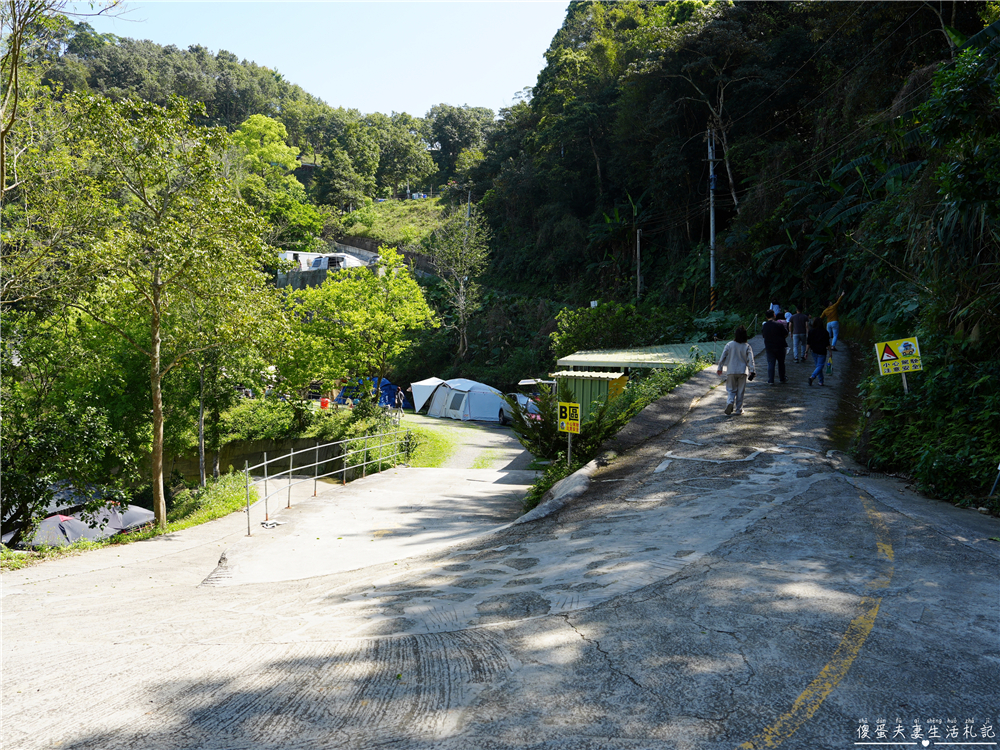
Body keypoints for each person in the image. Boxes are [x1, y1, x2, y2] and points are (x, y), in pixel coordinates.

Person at [716, 325, 755, 416]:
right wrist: (752, 370)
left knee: (731, 389)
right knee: (740, 391)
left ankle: (730, 402)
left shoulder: (729, 344)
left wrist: (720, 368)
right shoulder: (747, 346)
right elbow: (751, 360)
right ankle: (739, 409)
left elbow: (723, 356)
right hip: (742, 372)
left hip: (731, 371)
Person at [761, 309, 788, 384]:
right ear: (774, 315)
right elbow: (786, 333)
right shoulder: (779, 324)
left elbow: (763, 335)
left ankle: (771, 380)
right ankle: (782, 378)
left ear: (766, 317)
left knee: (771, 363)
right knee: (781, 363)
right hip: (780, 346)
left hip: (769, 347)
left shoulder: (765, 326)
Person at [807, 316, 831, 386]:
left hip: (814, 350)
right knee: (820, 366)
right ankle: (812, 377)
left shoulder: (811, 331)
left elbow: (808, 342)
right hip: (822, 351)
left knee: (818, 366)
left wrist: (806, 351)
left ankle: (821, 381)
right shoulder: (825, 332)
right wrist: (830, 352)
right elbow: (827, 343)